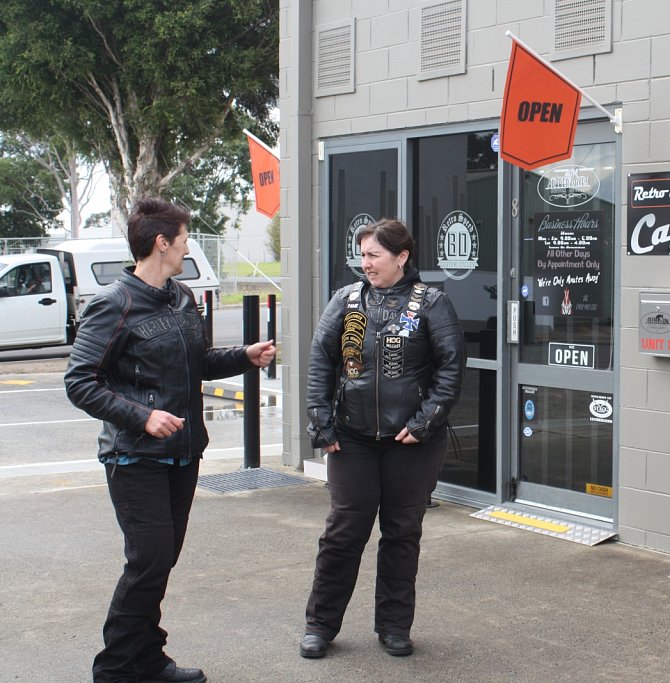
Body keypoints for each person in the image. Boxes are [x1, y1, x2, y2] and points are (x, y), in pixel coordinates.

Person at [65, 198, 276, 683]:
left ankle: (147, 659)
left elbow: (197, 363)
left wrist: (246, 355)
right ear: (162, 243)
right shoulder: (113, 303)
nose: (187, 247)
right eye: (183, 239)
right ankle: (116, 669)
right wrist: (141, 417)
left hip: (182, 456)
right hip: (134, 457)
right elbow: (80, 381)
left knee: (159, 563)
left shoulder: (180, 297)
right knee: (148, 562)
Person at [300, 218, 465, 659]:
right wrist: (321, 422)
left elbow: (450, 371)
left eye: (373, 255)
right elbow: (320, 360)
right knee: (343, 533)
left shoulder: (433, 304)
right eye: (362, 255)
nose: (365, 264)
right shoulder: (346, 301)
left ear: (402, 256)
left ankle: (394, 626)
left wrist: (426, 421)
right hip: (351, 439)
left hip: (410, 441)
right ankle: (320, 625)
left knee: (402, 533)